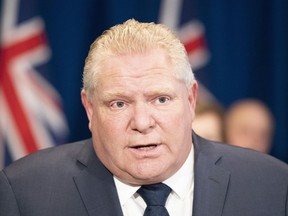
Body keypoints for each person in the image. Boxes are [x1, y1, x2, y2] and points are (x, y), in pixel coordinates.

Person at [0, 19, 287, 216]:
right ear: (89, 109)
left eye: (160, 99)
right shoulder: (25, 193)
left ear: (191, 100)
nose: (142, 122)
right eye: (119, 103)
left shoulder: (273, 186)